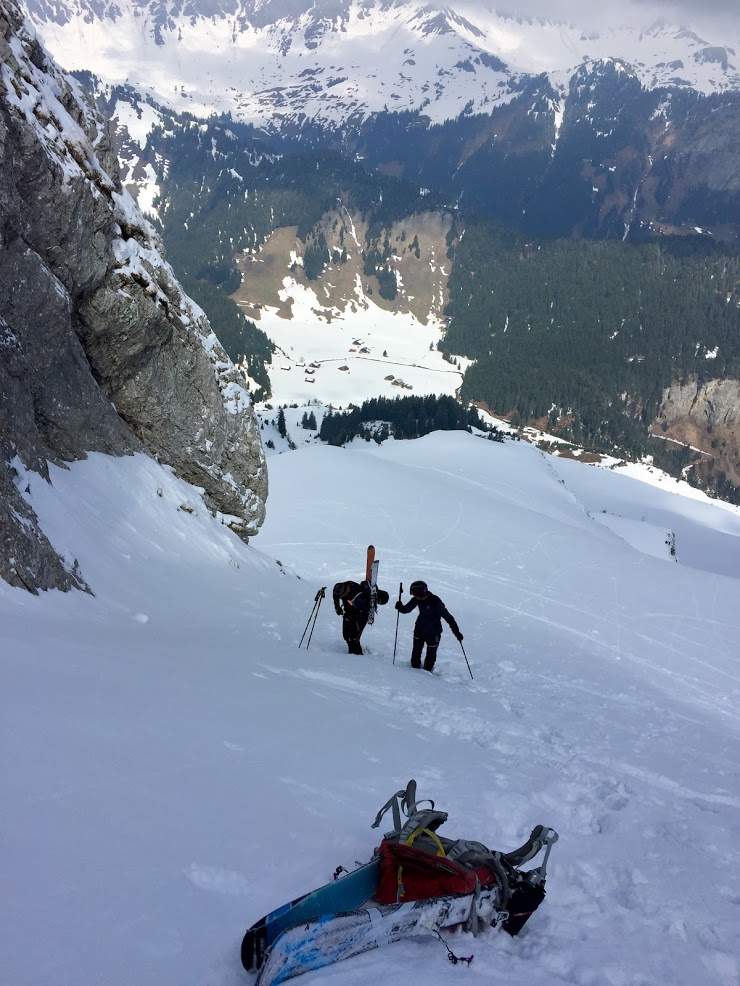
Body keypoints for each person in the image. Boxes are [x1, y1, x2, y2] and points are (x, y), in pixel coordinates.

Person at [395, 580, 462, 672]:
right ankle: (413, 672)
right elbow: (407, 609)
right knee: (416, 653)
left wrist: (456, 632)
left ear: (423, 591)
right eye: (413, 595)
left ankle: (427, 676)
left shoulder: (435, 601)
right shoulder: (416, 599)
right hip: (419, 629)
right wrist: (400, 607)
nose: (415, 597)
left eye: (416, 594)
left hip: (434, 632)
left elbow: (449, 618)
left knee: (430, 656)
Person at [333, 579, 390, 655]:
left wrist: (351, 618)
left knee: (354, 638)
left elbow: (363, 615)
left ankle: (357, 657)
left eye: (342, 596)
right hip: (350, 612)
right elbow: (335, 595)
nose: (340, 597)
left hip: (359, 617)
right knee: (346, 636)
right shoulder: (342, 586)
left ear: (346, 592)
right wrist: (337, 607)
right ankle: (351, 654)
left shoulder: (359, 599)